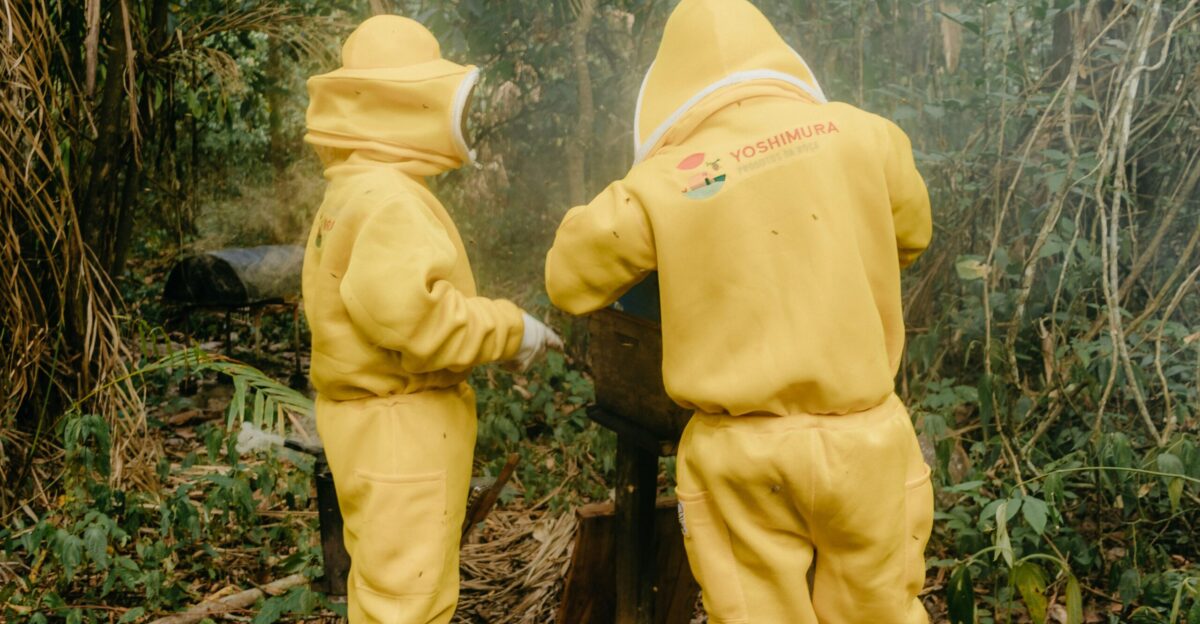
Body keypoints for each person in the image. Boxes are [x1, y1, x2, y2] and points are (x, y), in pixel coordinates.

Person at [544, 0, 934, 621]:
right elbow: (911, 237)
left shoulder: (667, 180)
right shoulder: (867, 135)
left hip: (739, 457)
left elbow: (568, 280)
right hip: (867, 440)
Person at [302, 16, 561, 624]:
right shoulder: (388, 199)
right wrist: (511, 328)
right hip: (401, 432)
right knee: (408, 606)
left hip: (370, 425)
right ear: (406, 102)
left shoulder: (350, 191)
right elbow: (417, 321)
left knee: (387, 592)